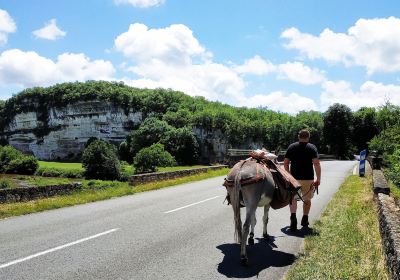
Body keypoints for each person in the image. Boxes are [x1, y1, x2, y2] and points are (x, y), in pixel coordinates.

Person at [284, 129, 321, 231]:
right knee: (307, 199)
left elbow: (286, 163)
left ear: (298, 136)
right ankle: (305, 219)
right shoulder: (312, 148)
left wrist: (288, 175)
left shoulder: (292, 147)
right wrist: (318, 178)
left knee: (293, 199)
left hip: (294, 179)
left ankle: (293, 217)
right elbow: (316, 163)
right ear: (308, 137)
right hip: (308, 179)